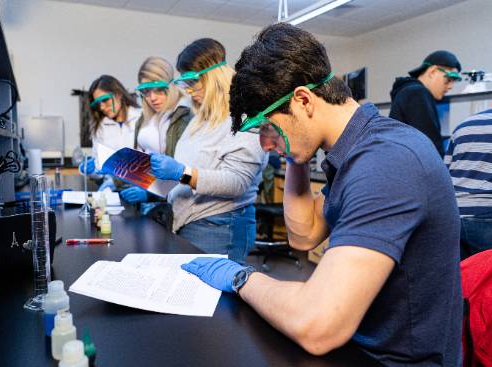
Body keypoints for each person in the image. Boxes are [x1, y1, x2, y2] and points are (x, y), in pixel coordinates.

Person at [182, 24, 462, 365]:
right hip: (358, 345)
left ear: (302, 99)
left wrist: (241, 276)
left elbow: (318, 324)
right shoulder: (355, 149)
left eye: (267, 127)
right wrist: (294, 154)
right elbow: (305, 234)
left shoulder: (387, 161)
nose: (265, 144)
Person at [148, 38, 267, 264]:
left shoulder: (245, 118)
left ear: (214, 77)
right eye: (185, 83)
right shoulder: (200, 118)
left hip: (219, 226)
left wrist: (181, 172)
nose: (190, 91)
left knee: (214, 298)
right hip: (190, 222)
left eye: (194, 81)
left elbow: (237, 182)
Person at [119, 56, 192, 205]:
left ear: (171, 86)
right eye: (146, 91)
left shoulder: (184, 116)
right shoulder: (145, 118)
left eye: (159, 90)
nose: (152, 98)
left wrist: (152, 195)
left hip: (171, 201)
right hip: (148, 197)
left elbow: (185, 174)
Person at [390, 50, 462, 158]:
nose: (451, 86)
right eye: (448, 79)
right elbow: (430, 146)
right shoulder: (417, 93)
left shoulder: (406, 91)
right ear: (432, 72)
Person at [79, 75, 142, 191]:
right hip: (112, 190)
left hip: (139, 189)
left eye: (105, 100)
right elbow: (100, 168)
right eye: (98, 104)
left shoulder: (141, 118)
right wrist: (91, 171)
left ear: (119, 94)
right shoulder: (100, 127)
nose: (102, 107)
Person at [445, 108, 492, 259]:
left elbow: (445, 172)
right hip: (485, 217)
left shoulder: (463, 126)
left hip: (454, 215)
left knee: (462, 277)